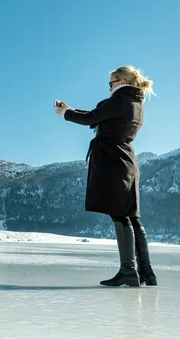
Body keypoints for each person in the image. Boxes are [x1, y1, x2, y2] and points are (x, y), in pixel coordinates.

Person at [54, 65, 157, 287]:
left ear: (120, 82)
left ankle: (128, 271)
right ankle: (146, 272)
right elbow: (97, 117)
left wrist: (64, 113)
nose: (109, 87)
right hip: (125, 161)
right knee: (131, 217)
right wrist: (71, 110)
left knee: (120, 216)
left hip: (113, 162)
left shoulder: (120, 100)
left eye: (110, 83)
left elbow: (91, 117)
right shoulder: (134, 103)